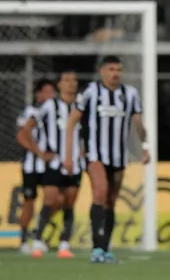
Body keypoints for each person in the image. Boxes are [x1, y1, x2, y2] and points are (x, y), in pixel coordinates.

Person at [64, 56, 150, 263]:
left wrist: (144, 146)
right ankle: (96, 249)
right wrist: (69, 155)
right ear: (102, 71)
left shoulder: (129, 94)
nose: (115, 73)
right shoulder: (90, 92)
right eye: (111, 69)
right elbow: (71, 123)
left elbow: (138, 123)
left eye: (119, 69)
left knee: (111, 201)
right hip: (95, 154)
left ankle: (105, 247)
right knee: (100, 193)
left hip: (119, 156)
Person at [19, 71, 85, 259]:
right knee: (50, 200)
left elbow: (90, 130)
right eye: (67, 80)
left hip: (75, 164)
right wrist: (40, 152)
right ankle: (37, 240)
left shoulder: (82, 107)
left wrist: (84, 151)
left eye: (73, 80)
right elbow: (27, 128)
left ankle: (64, 244)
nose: (71, 84)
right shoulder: (49, 106)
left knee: (69, 203)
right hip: (55, 163)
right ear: (60, 85)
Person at [15, 80, 55, 254]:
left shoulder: (58, 110)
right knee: (29, 201)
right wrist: (38, 152)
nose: (50, 96)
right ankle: (24, 239)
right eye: (46, 92)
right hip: (32, 165)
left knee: (54, 200)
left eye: (52, 92)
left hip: (51, 165)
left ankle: (37, 233)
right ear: (38, 94)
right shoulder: (30, 112)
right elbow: (21, 136)